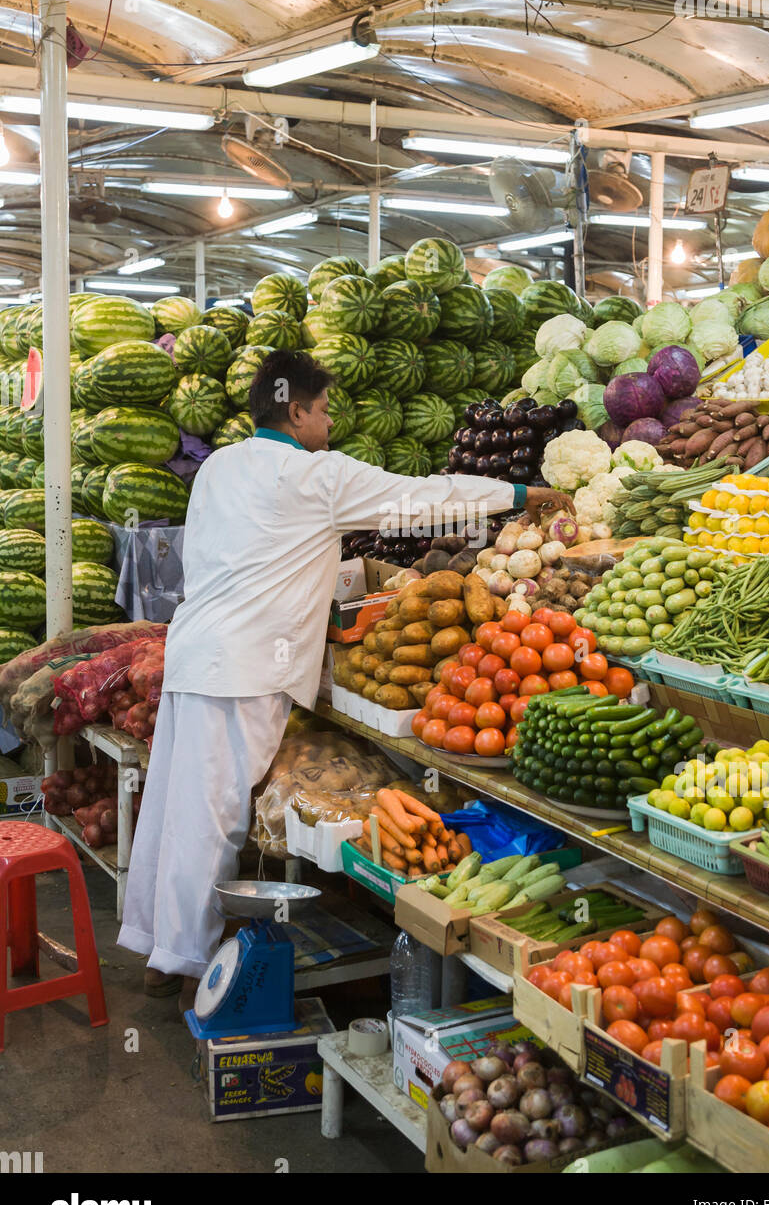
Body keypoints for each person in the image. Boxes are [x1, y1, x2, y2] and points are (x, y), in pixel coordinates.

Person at [118, 350, 574, 1008]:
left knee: (170, 801)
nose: (329, 423)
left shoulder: (220, 466)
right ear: (296, 409)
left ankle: (154, 943)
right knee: (213, 813)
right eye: (324, 410)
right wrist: (524, 495)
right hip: (246, 665)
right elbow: (424, 497)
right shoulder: (317, 476)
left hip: (196, 649)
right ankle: (187, 956)